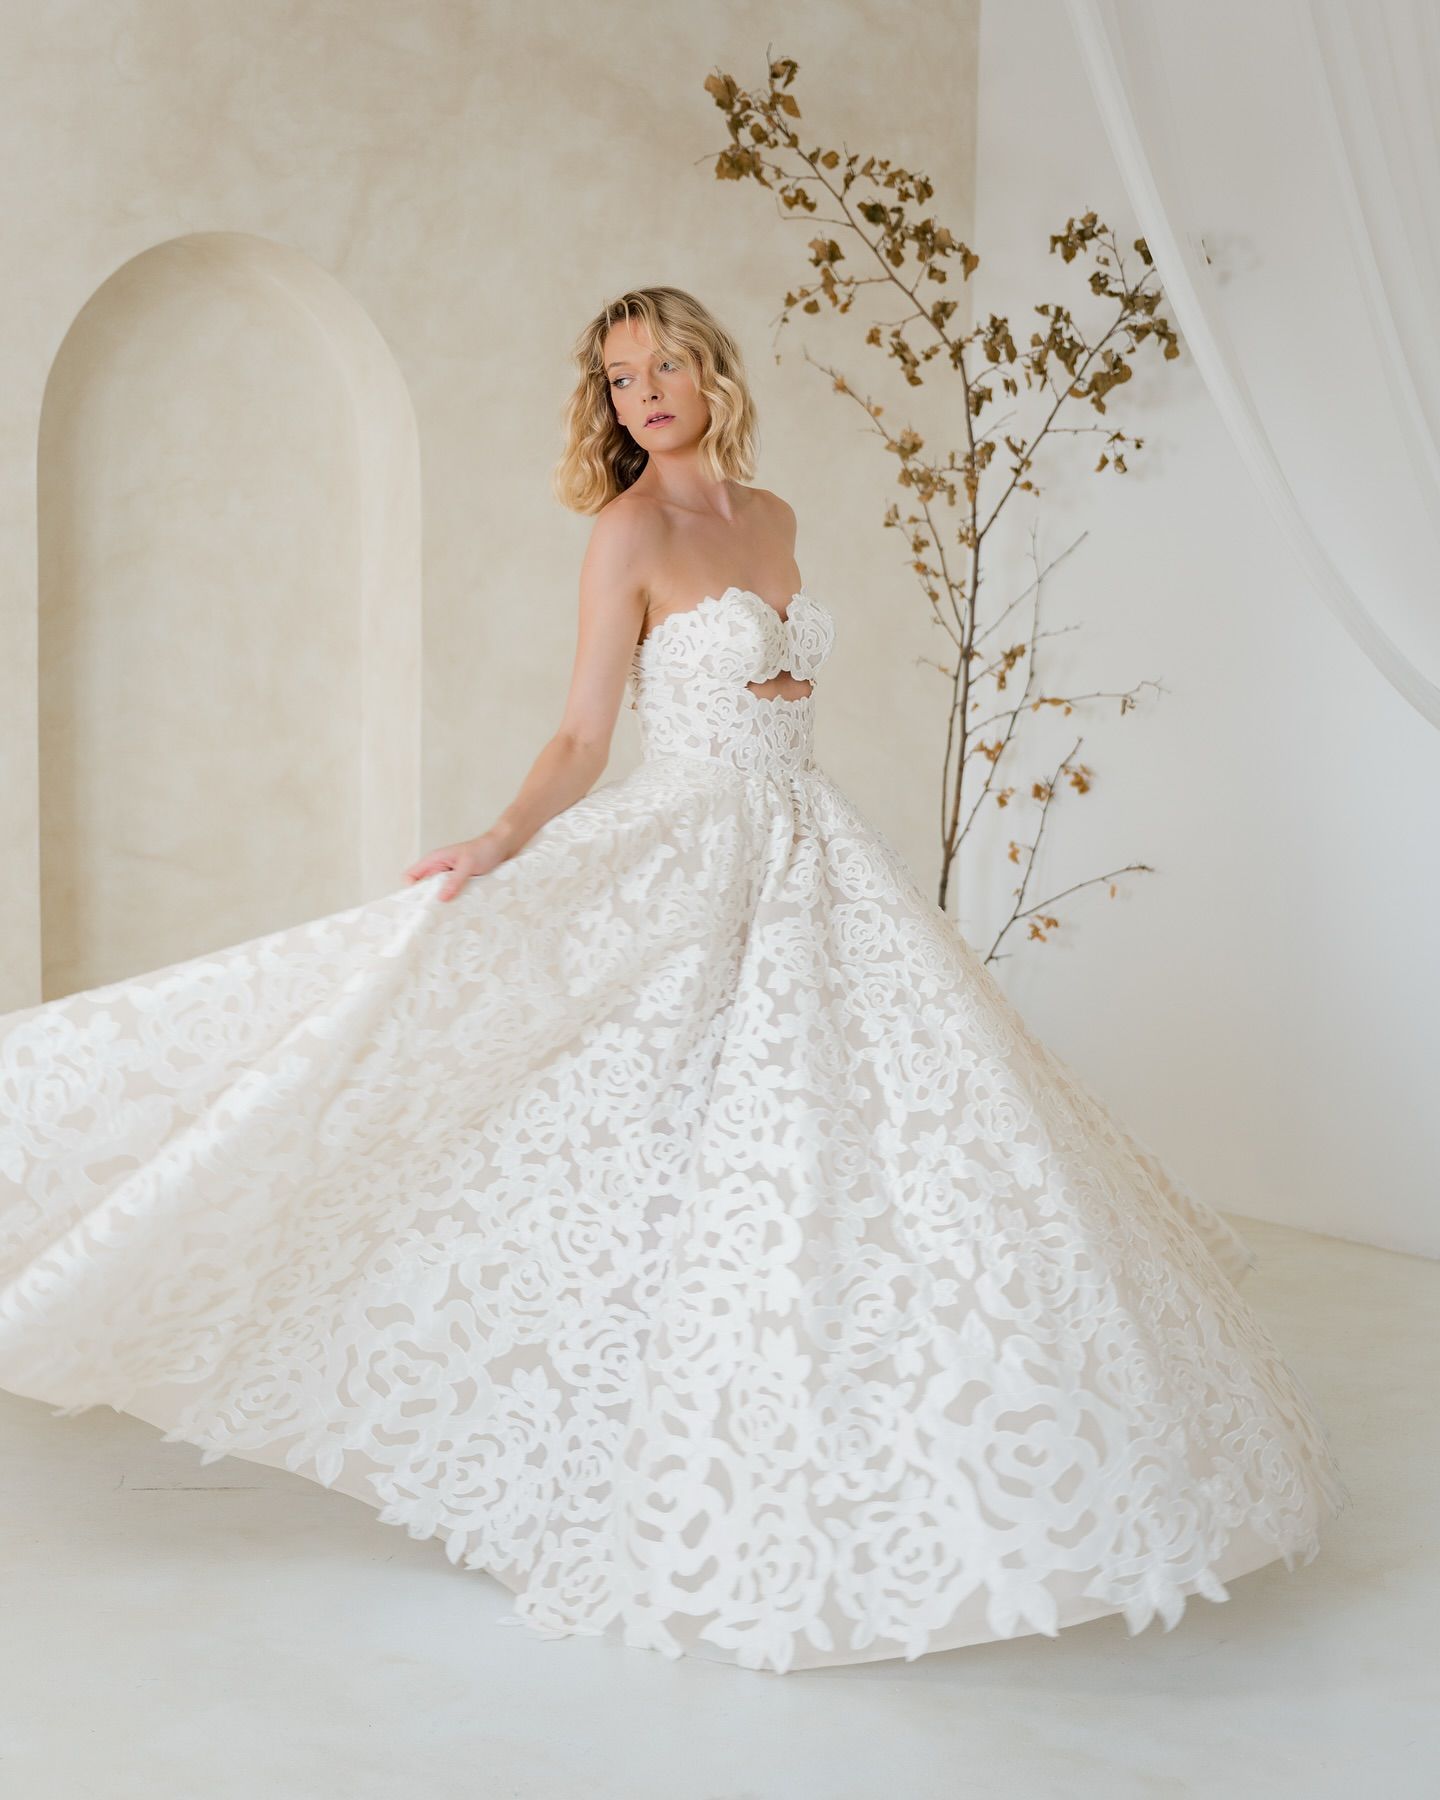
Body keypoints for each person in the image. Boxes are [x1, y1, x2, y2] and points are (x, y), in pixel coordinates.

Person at [0, 284, 1347, 1674]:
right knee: (650, 1130)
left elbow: (782, 691)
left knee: (873, 1140)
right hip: (691, 844)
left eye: (661, 366)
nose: (640, 394)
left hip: (814, 850)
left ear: (712, 370)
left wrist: (779, 720)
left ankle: (887, 1451)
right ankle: (629, 1453)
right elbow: (585, 733)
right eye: (617, 376)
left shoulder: (774, 517)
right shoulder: (628, 530)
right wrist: (501, 839)